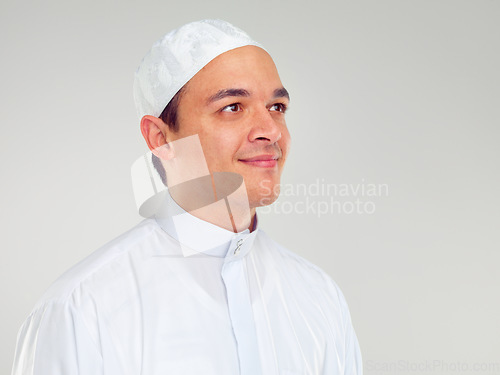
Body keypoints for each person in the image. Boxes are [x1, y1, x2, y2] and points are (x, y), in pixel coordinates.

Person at [12, 19, 362, 375]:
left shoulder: (320, 299)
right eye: (233, 107)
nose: (271, 131)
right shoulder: (81, 311)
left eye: (277, 107)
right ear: (161, 139)